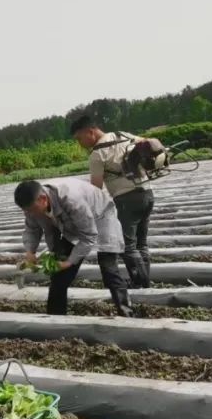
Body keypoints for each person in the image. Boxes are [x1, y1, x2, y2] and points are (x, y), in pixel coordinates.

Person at [14, 179, 133, 317]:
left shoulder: (71, 199)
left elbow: (88, 235)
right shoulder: (32, 208)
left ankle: (127, 313)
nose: (30, 213)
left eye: (32, 209)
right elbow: (32, 229)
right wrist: (30, 252)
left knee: (109, 269)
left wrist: (69, 262)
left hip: (101, 217)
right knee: (59, 276)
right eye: (26, 210)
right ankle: (55, 317)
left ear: (43, 199)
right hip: (71, 225)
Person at [70, 115, 153, 288]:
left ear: (90, 132)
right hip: (147, 193)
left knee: (128, 246)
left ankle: (141, 284)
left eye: (79, 138)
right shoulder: (122, 135)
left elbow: (96, 189)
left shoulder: (97, 154)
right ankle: (144, 280)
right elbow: (147, 143)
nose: (80, 143)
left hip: (127, 200)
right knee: (141, 243)